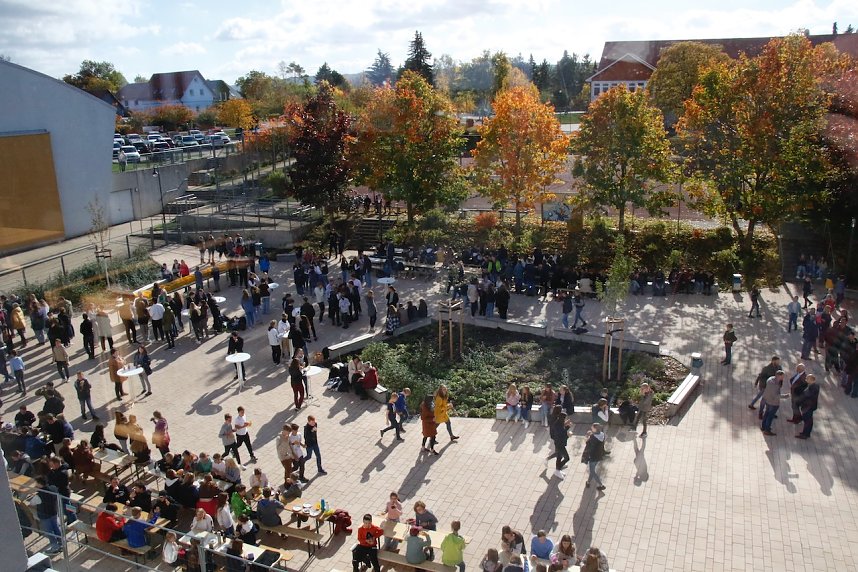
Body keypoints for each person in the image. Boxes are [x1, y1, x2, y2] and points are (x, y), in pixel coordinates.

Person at [30, 476, 63, 554]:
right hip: (53, 512)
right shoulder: (53, 488)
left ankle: (55, 547)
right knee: (56, 528)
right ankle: (62, 542)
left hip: (45, 515)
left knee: (49, 531)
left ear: (39, 484)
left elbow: (32, 503)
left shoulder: (39, 495)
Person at [760, 370, 788, 436]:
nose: (783, 378)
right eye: (782, 376)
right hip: (773, 402)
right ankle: (767, 430)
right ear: (778, 376)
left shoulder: (770, 379)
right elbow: (776, 395)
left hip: (767, 400)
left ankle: (763, 426)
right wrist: (785, 396)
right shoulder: (774, 385)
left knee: (766, 413)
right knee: (770, 416)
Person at [548, 405, 570, 479]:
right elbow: (562, 434)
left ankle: (558, 470)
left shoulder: (558, 423)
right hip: (559, 444)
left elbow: (562, 430)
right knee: (566, 458)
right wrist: (568, 435)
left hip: (558, 443)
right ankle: (557, 469)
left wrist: (567, 426)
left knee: (559, 456)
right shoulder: (557, 424)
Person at [583, 423, 607, 491]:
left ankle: (601, 485)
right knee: (592, 470)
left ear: (595, 429)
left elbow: (587, 443)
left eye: (592, 428)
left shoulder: (593, 437)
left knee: (593, 472)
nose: (591, 428)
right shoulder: (602, 434)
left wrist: (588, 436)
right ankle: (588, 482)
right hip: (598, 455)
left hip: (592, 456)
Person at [795, 374, 819, 439]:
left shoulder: (813, 387)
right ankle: (806, 433)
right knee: (808, 420)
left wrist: (800, 400)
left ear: (811, 380)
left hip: (808, 407)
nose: (806, 380)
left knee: (807, 421)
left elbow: (807, 396)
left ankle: (805, 434)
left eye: (807, 379)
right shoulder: (814, 386)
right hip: (809, 406)